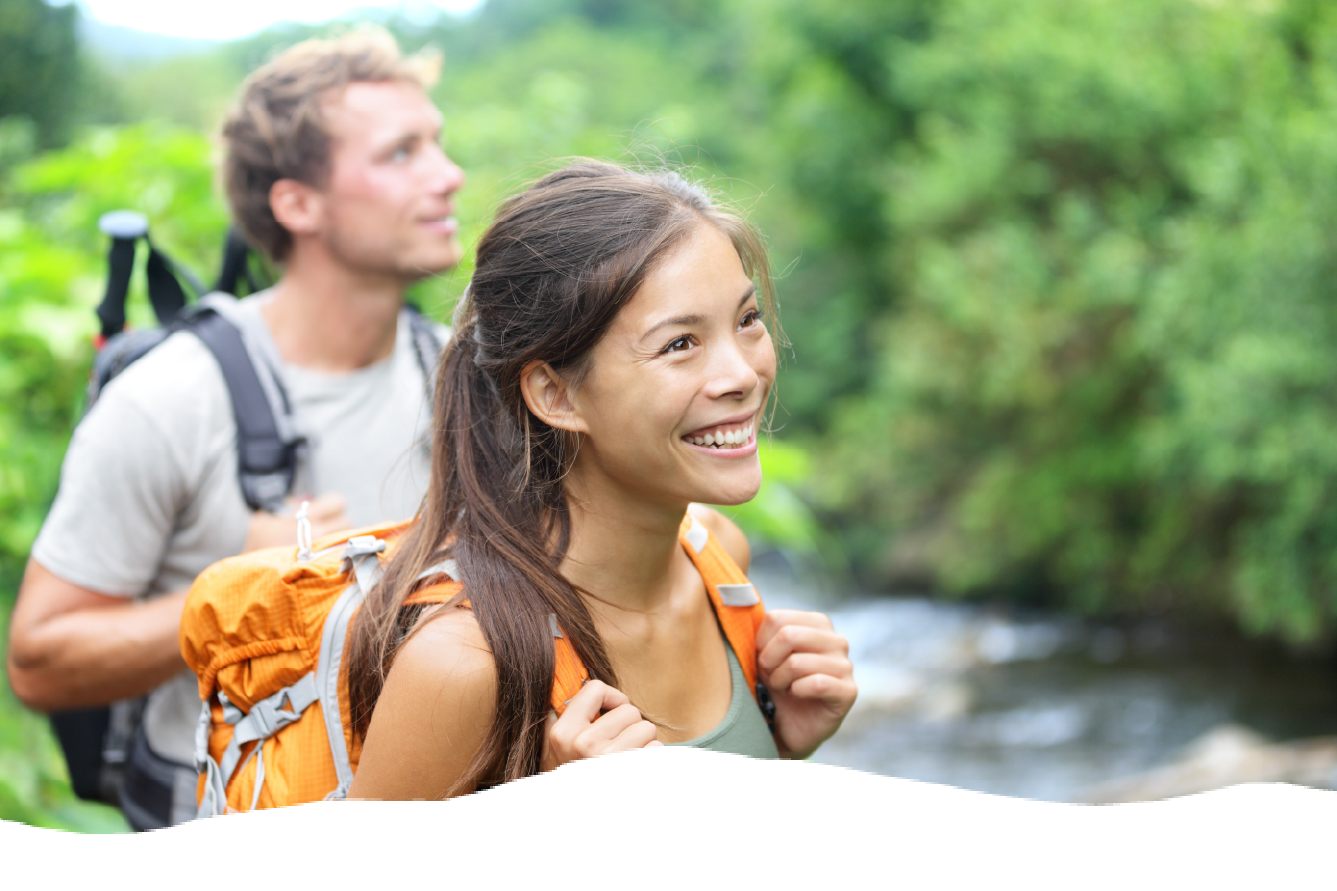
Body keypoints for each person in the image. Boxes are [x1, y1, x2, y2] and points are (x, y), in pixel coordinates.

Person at [6, 27, 466, 829]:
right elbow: (39, 661)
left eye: (436, 144)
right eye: (401, 154)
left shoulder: (461, 378)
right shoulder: (173, 398)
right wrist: (243, 588)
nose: (448, 176)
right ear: (297, 203)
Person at [342, 160, 857, 800]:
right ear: (556, 395)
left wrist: (780, 740)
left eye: (746, 320)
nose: (742, 374)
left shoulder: (719, 563)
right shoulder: (462, 667)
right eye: (680, 345)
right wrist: (551, 819)